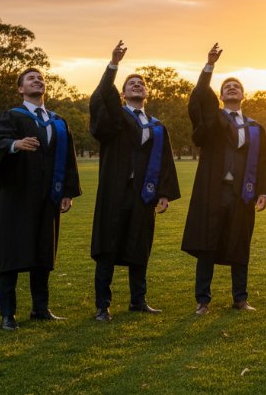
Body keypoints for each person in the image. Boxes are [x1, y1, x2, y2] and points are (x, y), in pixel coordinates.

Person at [181, 43, 266, 314]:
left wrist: (263, 191)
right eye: (227, 87)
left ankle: (240, 298)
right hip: (213, 192)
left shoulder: (255, 128)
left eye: (236, 86)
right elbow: (200, 96)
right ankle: (203, 300)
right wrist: (209, 66)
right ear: (221, 97)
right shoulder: (214, 121)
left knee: (239, 243)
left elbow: (264, 162)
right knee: (207, 244)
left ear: (244, 95)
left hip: (242, 194)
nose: (232, 88)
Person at [89, 41, 180, 322]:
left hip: (143, 194)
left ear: (147, 92)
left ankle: (138, 301)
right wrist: (113, 65)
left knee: (140, 245)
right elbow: (101, 97)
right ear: (123, 93)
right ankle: (102, 306)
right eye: (132, 83)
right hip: (115, 193)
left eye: (141, 83)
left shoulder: (156, 126)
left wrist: (163, 193)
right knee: (108, 246)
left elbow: (165, 160)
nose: (137, 85)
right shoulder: (116, 118)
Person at [0, 68, 81, 331]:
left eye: (40, 78)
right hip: (17, 197)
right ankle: (8, 314)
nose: (37, 80)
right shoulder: (13, 116)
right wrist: (15, 145)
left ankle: (40, 308)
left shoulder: (58, 122)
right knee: (11, 254)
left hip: (48, 196)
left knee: (43, 252)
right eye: (31, 78)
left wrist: (67, 192)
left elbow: (69, 159)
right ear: (20, 89)